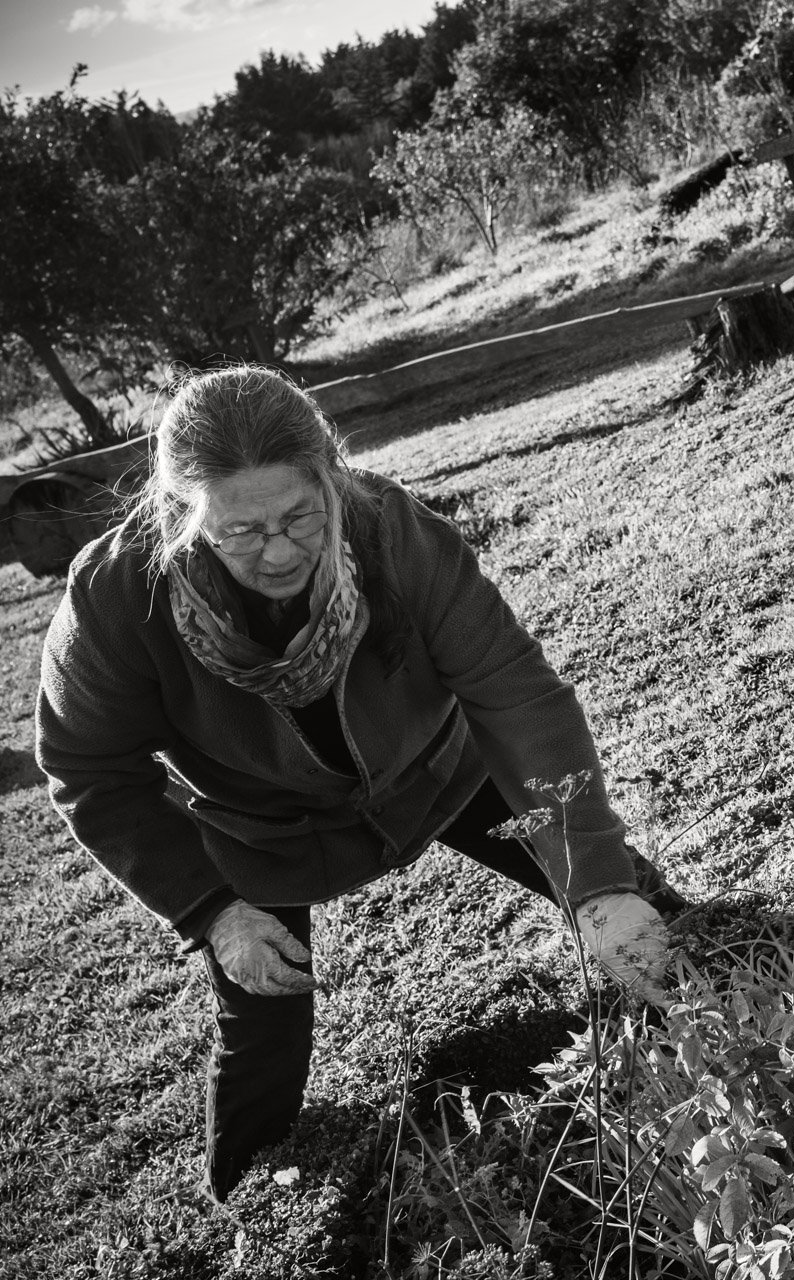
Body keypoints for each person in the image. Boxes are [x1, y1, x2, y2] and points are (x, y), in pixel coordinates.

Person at [34, 366, 685, 1202]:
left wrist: (597, 883)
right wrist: (212, 911)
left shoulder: (390, 530)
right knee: (262, 1032)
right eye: (239, 531)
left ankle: (746, 1034)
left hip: (439, 772)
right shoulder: (116, 594)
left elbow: (515, 692)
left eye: (300, 517)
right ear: (182, 516)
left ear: (332, 480)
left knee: (642, 916)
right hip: (258, 832)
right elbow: (87, 767)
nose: (276, 552)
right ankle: (250, 1212)